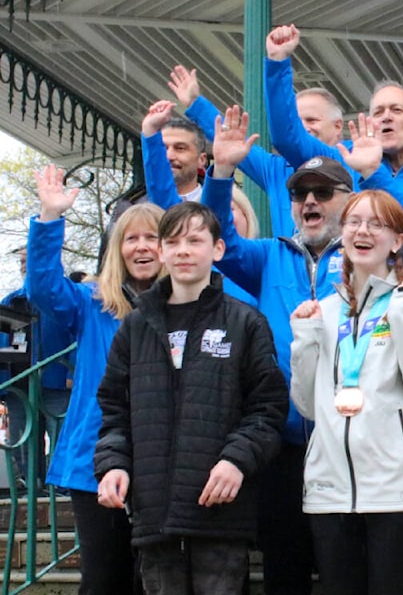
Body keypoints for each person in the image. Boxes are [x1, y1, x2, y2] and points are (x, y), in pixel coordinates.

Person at [202, 105, 380, 595]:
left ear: (349, 201)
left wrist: (373, 175)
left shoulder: (372, 254)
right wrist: (220, 173)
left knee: (348, 570)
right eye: (300, 193)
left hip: (351, 441)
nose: (309, 201)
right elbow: (217, 237)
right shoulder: (267, 256)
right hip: (280, 445)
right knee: (285, 569)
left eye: (323, 192)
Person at [94, 201, 287, 595]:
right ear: (162, 251)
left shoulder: (246, 322)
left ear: (217, 249)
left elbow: (268, 408)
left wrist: (236, 460)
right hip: (153, 516)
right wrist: (114, 464)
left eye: (195, 240)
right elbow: (114, 409)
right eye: (174, 242)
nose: (183, 251)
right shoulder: (135, 327)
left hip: (219, 514)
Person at [290, 190, 403, 594]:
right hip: (331, 494)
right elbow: (307, 406)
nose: (362, 231)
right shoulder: (322, 312)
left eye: (376, 224)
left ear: (397, 241)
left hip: (402, 494)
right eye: (354, 222)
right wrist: (304, 342)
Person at [27, 164, 163, 594]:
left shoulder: (185, 305)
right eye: (131, 238)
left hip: (161, 464)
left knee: (154, 582)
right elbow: (43, 288)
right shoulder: (91, 303)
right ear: (116, 249)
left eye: (151, 237)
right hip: (93, 462)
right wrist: (50, 218)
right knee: (105, 580)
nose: (141, 247)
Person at [264, 24, 403, 266]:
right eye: (378, 112)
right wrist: (277, 63)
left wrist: (374, 173)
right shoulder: (344, 158)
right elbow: (287, 138)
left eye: (396, 110)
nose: (386, 117)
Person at [168, 65, 343, 237]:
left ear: (338, 127)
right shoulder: (276, 169)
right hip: (291, 263)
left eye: (312, 120)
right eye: (296, 122)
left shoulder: (353, 160)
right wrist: (195, 104)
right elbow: (231, 141)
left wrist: (277, 61)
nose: (302, 128)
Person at [140, 99, 257, 307]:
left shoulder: (262, 263)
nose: (170, 155)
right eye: (164, 148)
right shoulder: (157, 211)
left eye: (180, 148)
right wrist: (150, 133)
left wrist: (223, 169)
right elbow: (164, 197)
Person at [0, 246, 72, 488]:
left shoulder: (65, 298)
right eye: (21, 262)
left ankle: (60, 490)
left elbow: (78, 338)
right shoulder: (11, 302)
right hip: (19, 386)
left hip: (57, 382)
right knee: (24, 441)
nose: (24, 266)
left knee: (62, 437)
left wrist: (72, 372)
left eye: (28, 261)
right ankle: (32, 489)